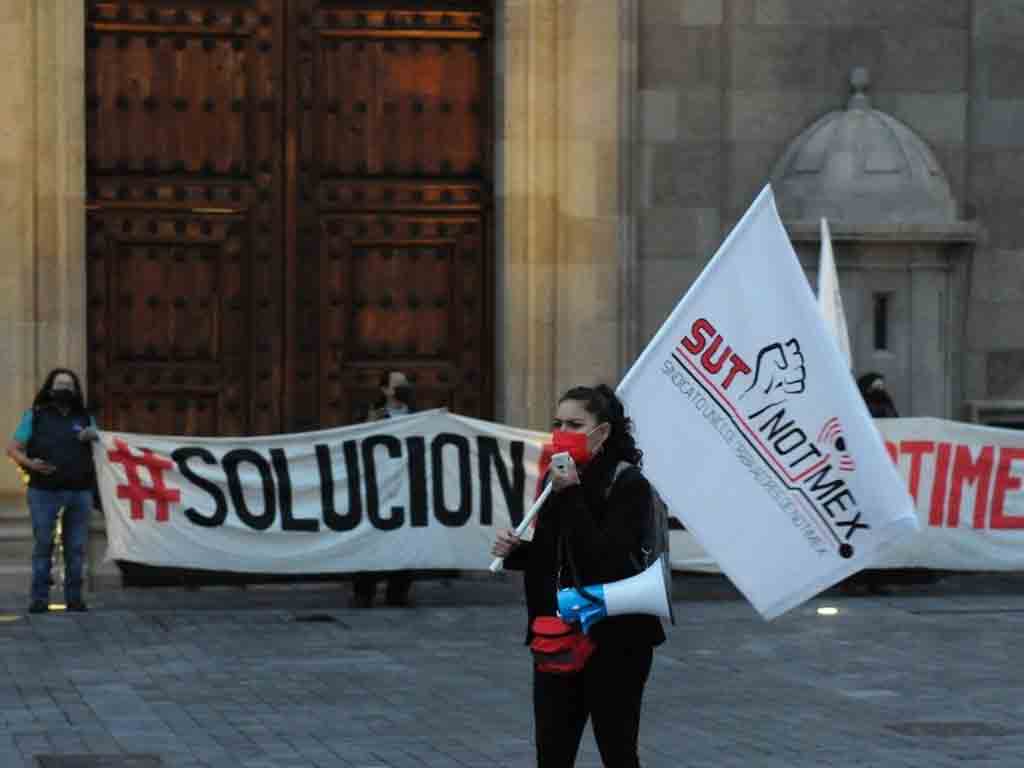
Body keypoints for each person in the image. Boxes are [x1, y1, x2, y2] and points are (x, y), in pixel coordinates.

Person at [492, 384, 665, 768]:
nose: (562, 432)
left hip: (616, 640)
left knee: (617, 751)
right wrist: (516, 552)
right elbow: (555, 556)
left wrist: (570, 494)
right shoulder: (556, 480)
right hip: (558, 635)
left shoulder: (627, 484)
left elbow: (604, 563)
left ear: (601, 432)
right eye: (557, 423)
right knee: (552, 752)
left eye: (574, 423)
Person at [6, 368, 99, 614]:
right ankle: (39, 599)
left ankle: (75, 599)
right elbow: (13, 448)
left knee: (76, 548)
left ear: (76, 390)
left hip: (80, 491)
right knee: (43, 544)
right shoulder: (35, 416)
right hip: (43, 491)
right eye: (60, 385)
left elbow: (103, 448)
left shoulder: (86, 417)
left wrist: (94, 437)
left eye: (69, 385)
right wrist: (30, 464)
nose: (64, 389)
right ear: (50, 388)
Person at [351, 371, 417, 608]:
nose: (403, 389)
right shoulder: (372, 414)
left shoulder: (419, 417)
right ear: (385, 390)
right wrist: (370, 424)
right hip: (376, 487)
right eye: (398, 385)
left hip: (406, 486)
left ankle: (398, 591)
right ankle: (364, 591)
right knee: (371, 538)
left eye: (405, 385)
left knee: (406, 539)